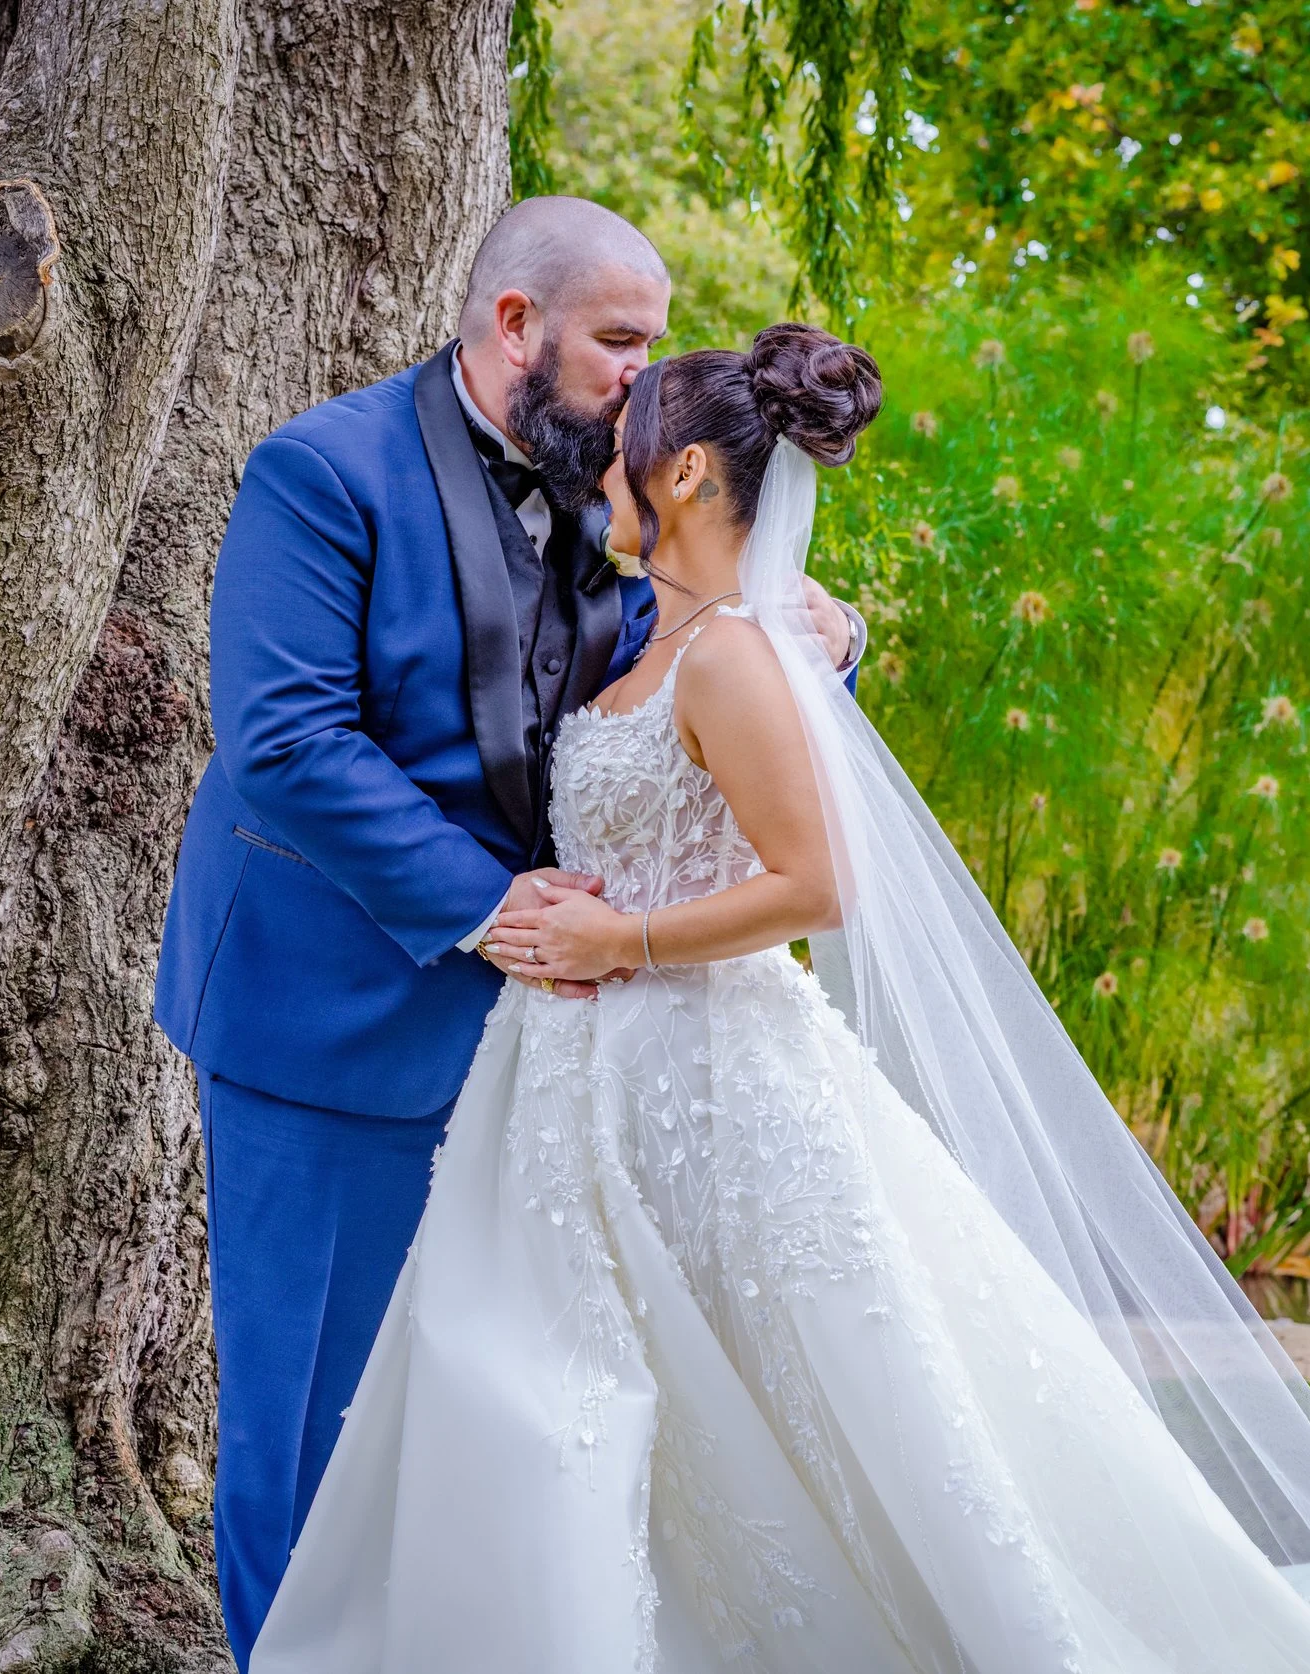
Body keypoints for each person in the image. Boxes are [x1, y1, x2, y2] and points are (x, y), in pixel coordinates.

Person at [250, 327, 1310, 1673]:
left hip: (709, 1072)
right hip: (610, 1086)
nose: (602, 469)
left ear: (685, 469)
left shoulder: (735, 659)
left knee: (830, 1399)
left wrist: (619, 939)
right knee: (658, 1400)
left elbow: (821, 886)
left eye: (630, 433)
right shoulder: (691, 637)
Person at [153, 197, 866, 1665]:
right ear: (516, 324)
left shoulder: (615, 495)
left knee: (526, 1411)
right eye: (620, 339)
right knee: (315, 1420)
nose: (640, 372)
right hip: (329, 1024)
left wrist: (822, 649)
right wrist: (487, 905)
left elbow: (686, 701)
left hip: (561, 1056)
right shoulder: (323, 469)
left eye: (654, 342)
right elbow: (282, 741)